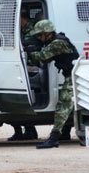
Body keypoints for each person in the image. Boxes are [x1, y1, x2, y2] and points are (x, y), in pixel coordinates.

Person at [28, 20, 79, 149]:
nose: (39, 38)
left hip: (74, 76)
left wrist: (28, 52)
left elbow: (43, 57)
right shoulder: (55, 41)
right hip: (73, 75)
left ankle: (54, 138)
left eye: (40, 35)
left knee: (62, 107)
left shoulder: (58, 43)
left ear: (48, 33)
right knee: (68, 106)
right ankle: (65, 133)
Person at [9, 9, 38, 142]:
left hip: (31, 65)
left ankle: (29, 130)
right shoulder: (20, 29)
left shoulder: (32, 30)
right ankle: (22, 131)